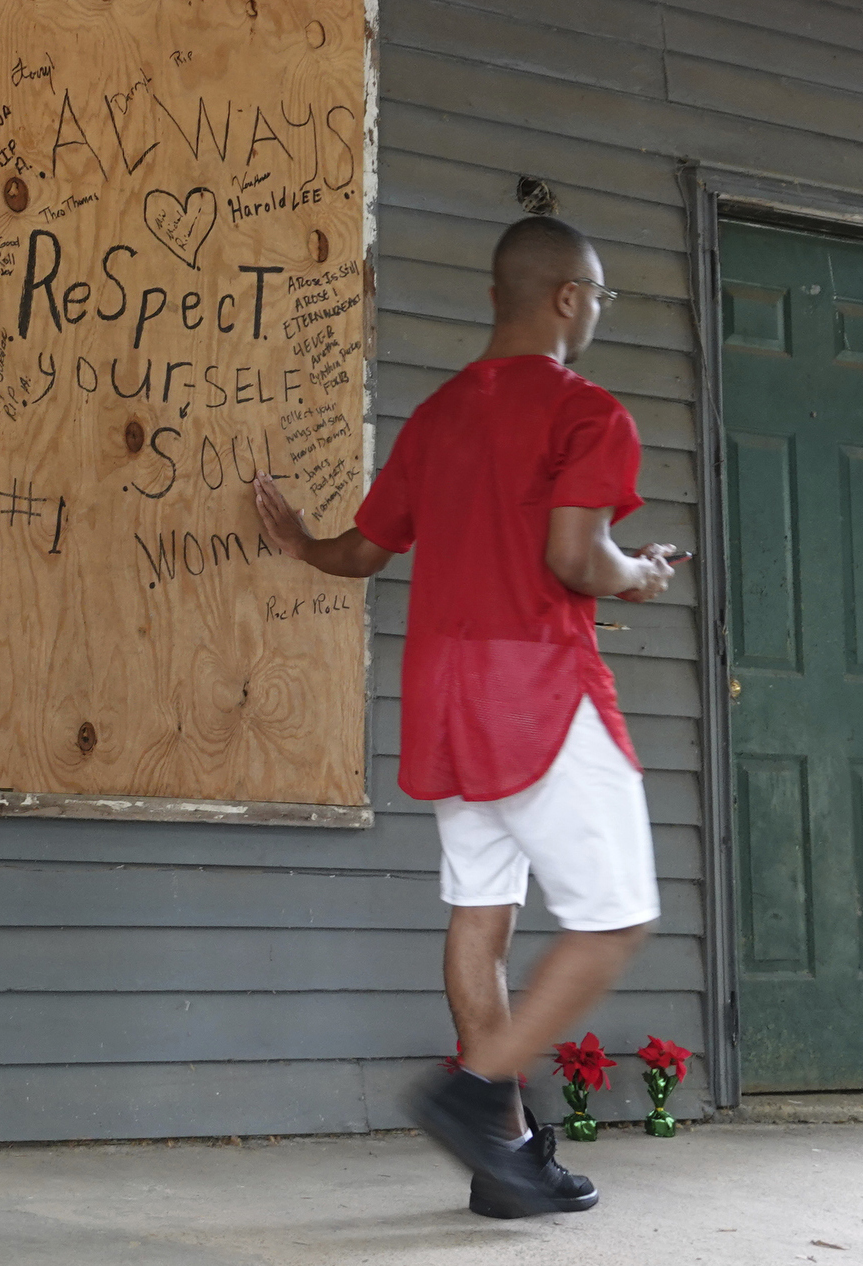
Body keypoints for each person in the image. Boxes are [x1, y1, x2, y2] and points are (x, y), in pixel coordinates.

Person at [252, 215, 679, 1218]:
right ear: (567, 298)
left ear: (498, 296)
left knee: (479, 914)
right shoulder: (589, 415)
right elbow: (575, 560)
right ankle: (477, 1090)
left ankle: (507, 1163)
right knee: (616, 916)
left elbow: (359, 553)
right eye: (598, 298)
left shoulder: (436, 418)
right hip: (534, 688)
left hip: (441, 694)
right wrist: (639, 575)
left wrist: (297, 541)